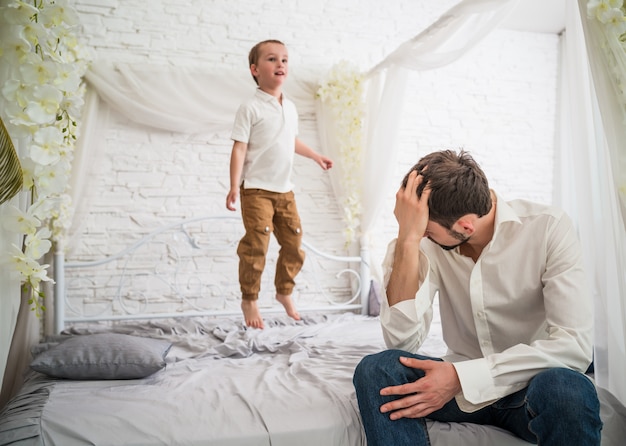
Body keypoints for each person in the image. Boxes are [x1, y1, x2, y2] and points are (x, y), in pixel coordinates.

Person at [353, 149, 602, 445]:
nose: (422, 236)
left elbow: (574, 346)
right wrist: (407, 240)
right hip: (456, 394)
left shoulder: (548, 227)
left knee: (567, 388)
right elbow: (402, 342)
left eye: (426, 231)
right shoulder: (421, 239)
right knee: (377, 369)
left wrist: (461, 377)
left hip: (530, 386)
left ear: (465, 227)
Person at [226, 39, 333, 329]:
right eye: (272, 59)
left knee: (294, 244)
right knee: (256, 245)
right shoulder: (250, 107)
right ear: (255, 69)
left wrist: (315, 156)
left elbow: (290, 140)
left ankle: (284, 291)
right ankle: (249, 298)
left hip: (284, 190)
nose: (280, 64)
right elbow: (239, 148)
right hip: (256, 189)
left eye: (284, 60)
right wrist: (235, 186)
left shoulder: (291, 107)